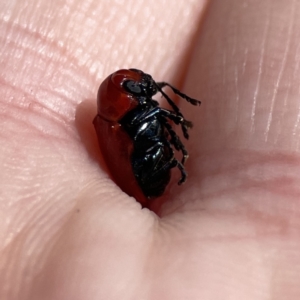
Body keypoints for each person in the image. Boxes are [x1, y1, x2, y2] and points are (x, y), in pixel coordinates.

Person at [1, 0, 299, 299]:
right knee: (158, 119)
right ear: (123, 97)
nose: (146, 89)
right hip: (144, 176)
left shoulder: (127, 114)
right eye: (137, 88)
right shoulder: (115, 124)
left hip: (149, 162)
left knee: (159, 117)